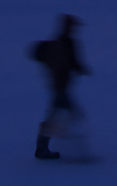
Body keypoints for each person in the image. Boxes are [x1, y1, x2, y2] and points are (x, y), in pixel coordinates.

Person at [32, 14, 88, 160]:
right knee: (65, 116)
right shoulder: (61, 43)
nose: (74, 29)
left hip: (61, 86)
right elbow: (62, 64)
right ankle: (46, 149)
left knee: (60, 116)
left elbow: (72, 61)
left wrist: (80, 68)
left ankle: (44, 148)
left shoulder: (68, 42)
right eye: (73, 26)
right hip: (59, 86)